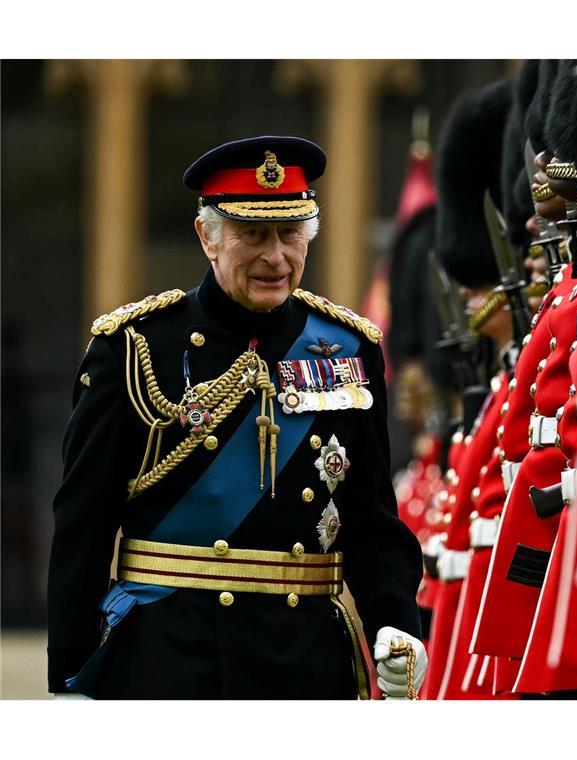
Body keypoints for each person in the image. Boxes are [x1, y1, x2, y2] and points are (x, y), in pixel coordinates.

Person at [48, 135, 427, 700]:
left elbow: (371, 521)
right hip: (169, 662)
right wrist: (72, 674)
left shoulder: (349, 348)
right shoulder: (134, 348)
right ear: (208, 237)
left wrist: (395, 622)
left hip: (306, 663)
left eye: (290, 233)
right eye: (253, 234)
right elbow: (84, 522)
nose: (275, 257)